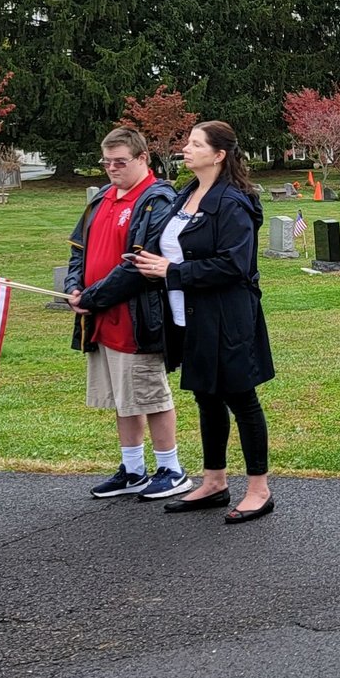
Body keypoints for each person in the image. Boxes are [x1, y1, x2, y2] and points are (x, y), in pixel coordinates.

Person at [113, 121, 277, 524]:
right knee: (206, 396)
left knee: (241, 399)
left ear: (219, 154)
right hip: (188, 317)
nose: (185, 148)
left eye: (195, 144)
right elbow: (169, 249)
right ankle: (214, 481)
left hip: (227, 317)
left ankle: (259, 489)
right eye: (187, 142)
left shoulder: (233, 201)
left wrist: (172, 271)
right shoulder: (186, 194)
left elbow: (234, 266)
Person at [65, 128, 191, 500]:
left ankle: (171, 467)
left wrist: (93, 296)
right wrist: (75, 286)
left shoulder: (158, 199)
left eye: (120, 162)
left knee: (150, 394)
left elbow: (140, 264)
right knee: (122, 397)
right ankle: (133, 469)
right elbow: (78, 249)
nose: (111, 170)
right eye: (106, 163)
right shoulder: (102, 197)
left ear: (142, 159)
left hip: (138, 317)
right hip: (101, 317)